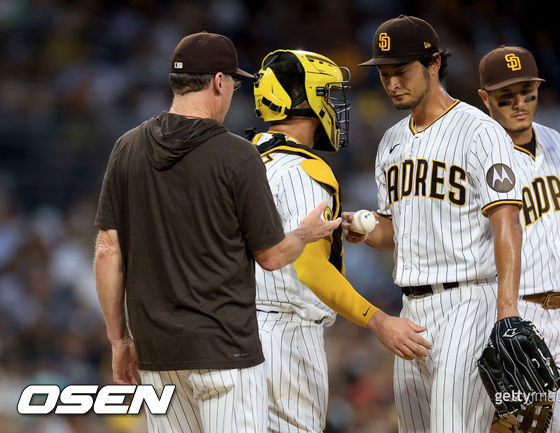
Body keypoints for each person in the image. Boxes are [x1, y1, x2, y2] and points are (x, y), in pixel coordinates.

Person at [93, 32, 340, 433]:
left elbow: (107, 250)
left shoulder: (127, 147)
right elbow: (272, 257)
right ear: (219, 82)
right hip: (225, 351)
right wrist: (304, 233)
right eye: (233, 84)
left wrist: (119, 339)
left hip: (157, 353)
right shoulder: (237, 155)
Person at [348, 15, 524, 433]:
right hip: (409, 311)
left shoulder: (480, 131)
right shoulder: (390, 141)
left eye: (401, 72)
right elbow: (394, 233)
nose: (392, 83)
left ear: (433, 66)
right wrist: (367, 230)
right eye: (385, 74)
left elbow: (508, 221)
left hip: (468, 300)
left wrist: (507, 311)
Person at [249, 48, 432, 433]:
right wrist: (377, 319)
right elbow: (311, 268)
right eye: (327, 94)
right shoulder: (305, 169)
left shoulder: (245, 158)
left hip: (237, 332)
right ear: (303, 99)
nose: (334, 105)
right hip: (285, 338)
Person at [477, 45, 560, 433]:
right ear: (485, 99)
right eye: (505, 97)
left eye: (527, 92)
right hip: (515, 317)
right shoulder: (477, 151)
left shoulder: (557, 142)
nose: (519, 104)